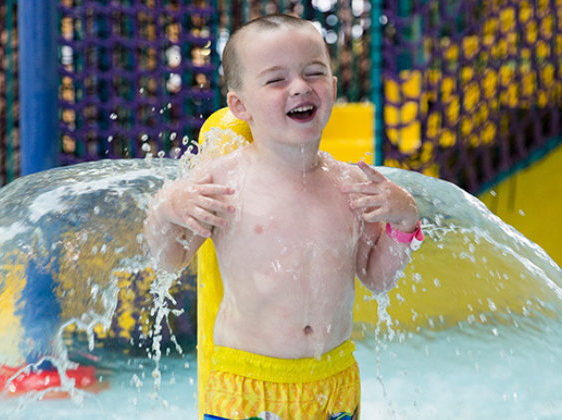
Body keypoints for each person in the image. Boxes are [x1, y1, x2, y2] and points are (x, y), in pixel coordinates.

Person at [144, 14, 423, 420]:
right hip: (249, 386)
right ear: (240, 105)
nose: (299, 86)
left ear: (333, 86)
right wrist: (167, 206)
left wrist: (404, 224)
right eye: (276, 80)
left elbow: (375, 277)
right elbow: (168, 259)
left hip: (333, 383)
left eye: (314, 72)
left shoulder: (352, 185)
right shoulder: (223, 182)